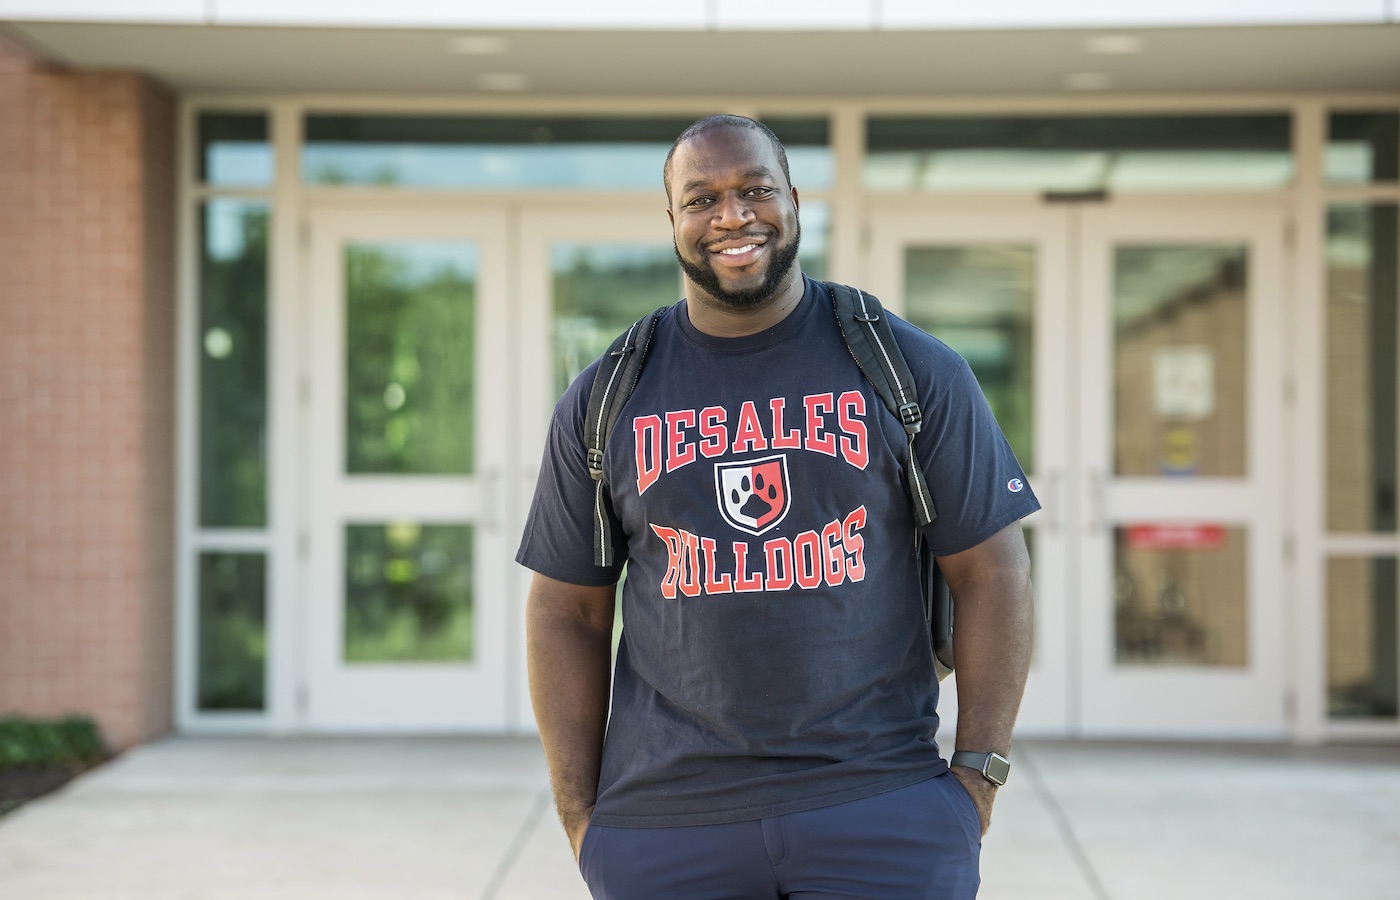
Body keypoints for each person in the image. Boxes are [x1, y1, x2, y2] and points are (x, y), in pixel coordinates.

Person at [518, 114, 1037, 900]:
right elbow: (566, 611)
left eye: (755, 189)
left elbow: (993, 572)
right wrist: (582, 817)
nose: (732, 216)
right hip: (666, 827)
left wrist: (977, 777)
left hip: (881, 806)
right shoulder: (609, 395)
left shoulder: (906, 368)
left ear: (794, 201)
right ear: (672, 221)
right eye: (702, 199)